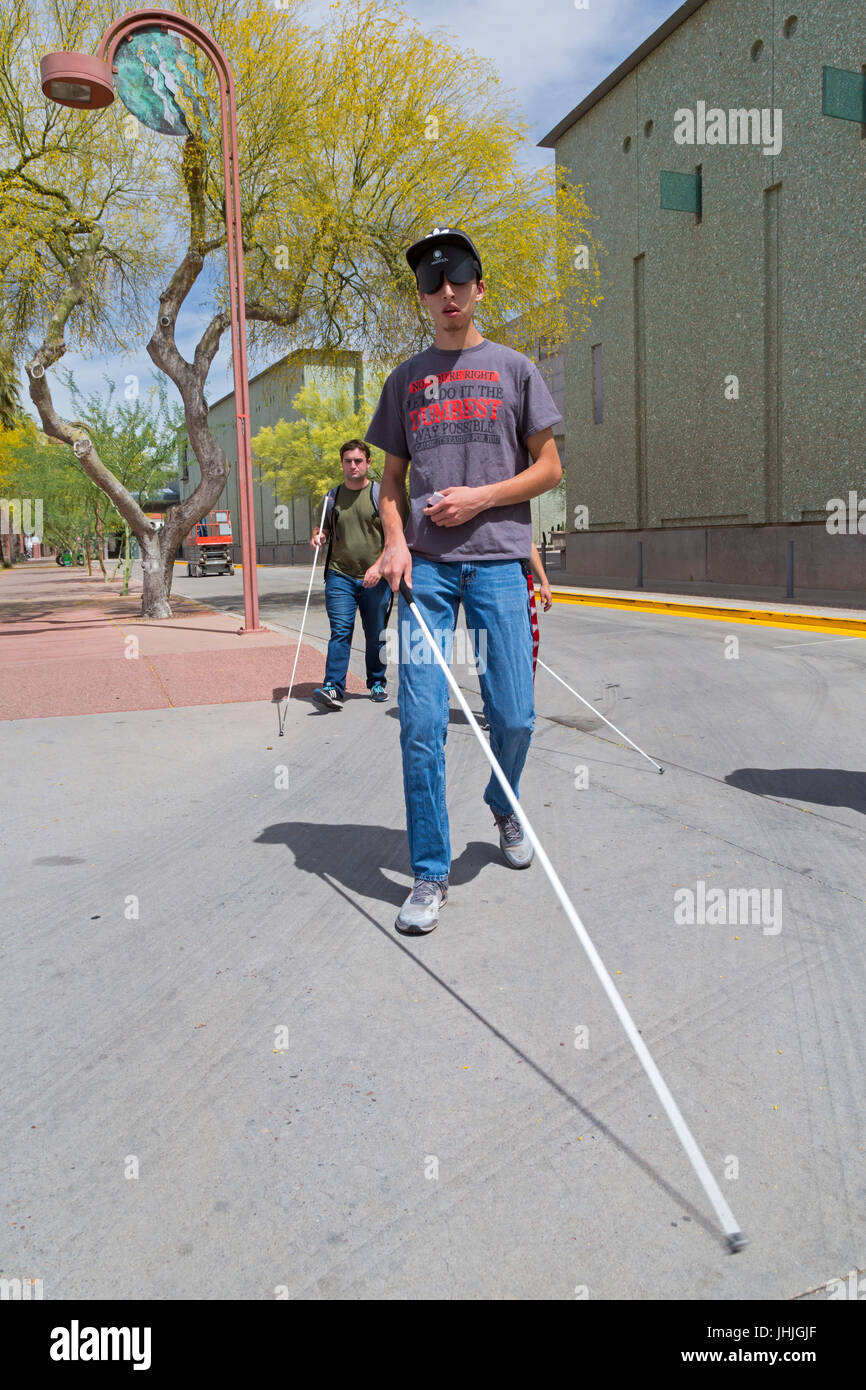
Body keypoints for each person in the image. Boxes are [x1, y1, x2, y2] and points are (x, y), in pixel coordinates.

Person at [364, 226, 563, 933]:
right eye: (431, 283)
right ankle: (429, 871)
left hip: (500, 564)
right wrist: (396, 541)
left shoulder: (515, 369)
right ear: (422, 299)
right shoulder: (406, 380)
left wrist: (480, 500)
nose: (446, 293)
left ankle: (503, 804)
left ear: (479, 288)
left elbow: (549, 468)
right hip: (428, 576)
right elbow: (390, 482)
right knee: (420, 724)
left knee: (513, 715)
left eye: (458, 280)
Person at [310, 439, 392, 711]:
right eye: (348, 461)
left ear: (368, 463)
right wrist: (319, 536)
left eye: (358, 460)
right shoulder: (331, 497)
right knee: (341, 631)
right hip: (339, 575)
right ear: (342, 463)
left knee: (376, 633)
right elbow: (322, 530)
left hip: (375, 578)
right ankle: (333, 687)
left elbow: (395, 540)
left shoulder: (381, 496)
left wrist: (379, 567)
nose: (353, 465)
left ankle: (377, 682)